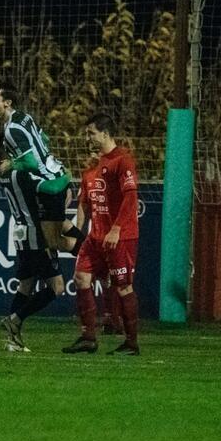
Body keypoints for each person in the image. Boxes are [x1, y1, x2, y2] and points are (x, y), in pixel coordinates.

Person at [0, 85, 72, 353]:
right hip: (35, 235)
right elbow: (48, 183)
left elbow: (37, 144)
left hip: (21, 233)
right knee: (57, 287)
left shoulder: (7, 172)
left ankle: (13, 339)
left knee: (26, 284)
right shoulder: (21, 173)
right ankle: (15, 320)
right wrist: (65, 177)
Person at [62, 113, 141, 355]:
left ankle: (131, 343)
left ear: (105, 134)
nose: (88, 138)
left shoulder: (122, 160)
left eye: (91, 133)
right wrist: (80, 232)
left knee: (123, 287)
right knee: (81, 278)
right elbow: (85, 205)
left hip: (120, 237)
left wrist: (116, 229)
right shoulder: (92, 168)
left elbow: (130, 197)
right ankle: (88, 337)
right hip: (95, 238)